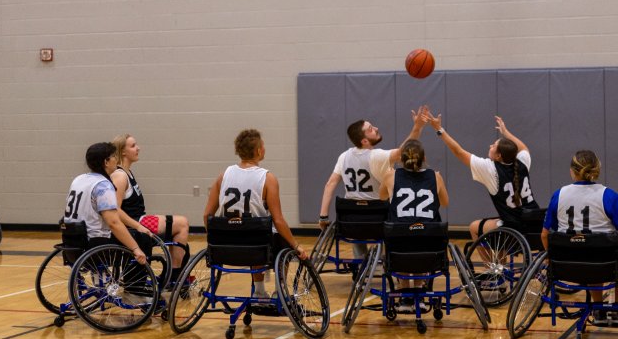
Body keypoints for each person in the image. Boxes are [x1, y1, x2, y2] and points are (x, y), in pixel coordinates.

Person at [540, 149, 618, 326]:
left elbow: (544, 235)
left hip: (566, 265)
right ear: (596, 170)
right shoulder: (609, 196)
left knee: (590, 250)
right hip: (603, 264)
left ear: (572, 171)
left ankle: (597, 306)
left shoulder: (559, 195)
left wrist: (550, 257)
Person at [204, 128, 308, 299]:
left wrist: (216, 238)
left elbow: (207, 215)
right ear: (259, 150)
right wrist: (296, 246)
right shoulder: (267, 178)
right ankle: (279, 291)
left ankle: (259, 291)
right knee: (281, 239)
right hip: (255, 246)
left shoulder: (223, 175)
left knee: (254, 234)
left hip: (225, 246)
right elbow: (278, 220)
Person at [317, 107, 428, 254]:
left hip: (350, 222)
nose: (376, 128)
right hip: (378, 220)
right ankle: (386, 260)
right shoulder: (376, 156)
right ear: (364, 140)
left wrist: (323, 216)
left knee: (354, 211)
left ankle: (359, 263)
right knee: (390, 212)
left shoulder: (343, 156)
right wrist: (417, 127)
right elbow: (405, 150)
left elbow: (330, 184)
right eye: (370, 129)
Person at [424, 112, 538, 247]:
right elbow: (523, 148)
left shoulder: (491, 170)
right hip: (536, 224)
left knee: (474, 227)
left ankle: (495, 267)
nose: (490, 146)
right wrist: (506, 133)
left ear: (499, 156)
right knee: (497, 227)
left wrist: (439, 129)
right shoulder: (522, 162)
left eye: (494, 146)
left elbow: (459, 152)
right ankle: (499, 265)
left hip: (514, 228)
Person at [110, 133, 190, 284]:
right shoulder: (120, 176)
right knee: (182, 223)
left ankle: (173, 273)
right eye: (133, 146)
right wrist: (138, 225)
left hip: (138, 219)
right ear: (122, 152)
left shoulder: (127, 172)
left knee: (179, 231)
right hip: (134, 223)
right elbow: (115, 209)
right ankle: (174, 277)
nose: (138, 148)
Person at [379, 139, 448, 310]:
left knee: (402, 236)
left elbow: (381, 197)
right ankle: (419, 291)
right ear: (424, 158)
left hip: (399, 248)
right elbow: (445, 202)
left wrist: (388, 176)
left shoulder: (391, 176)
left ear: (401, 160)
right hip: (429, 247)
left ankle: (404, 294)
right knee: (421, 235)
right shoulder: (436, 176)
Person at [64, 142, 148, 266]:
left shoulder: (79, 179)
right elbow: (113, 223)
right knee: (141, 238)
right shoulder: (103, 185)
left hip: (70, 239)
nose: (116, 159)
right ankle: (136, 285)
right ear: (106, 162)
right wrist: (136, 248)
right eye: (114, 156)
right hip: (94, 242)